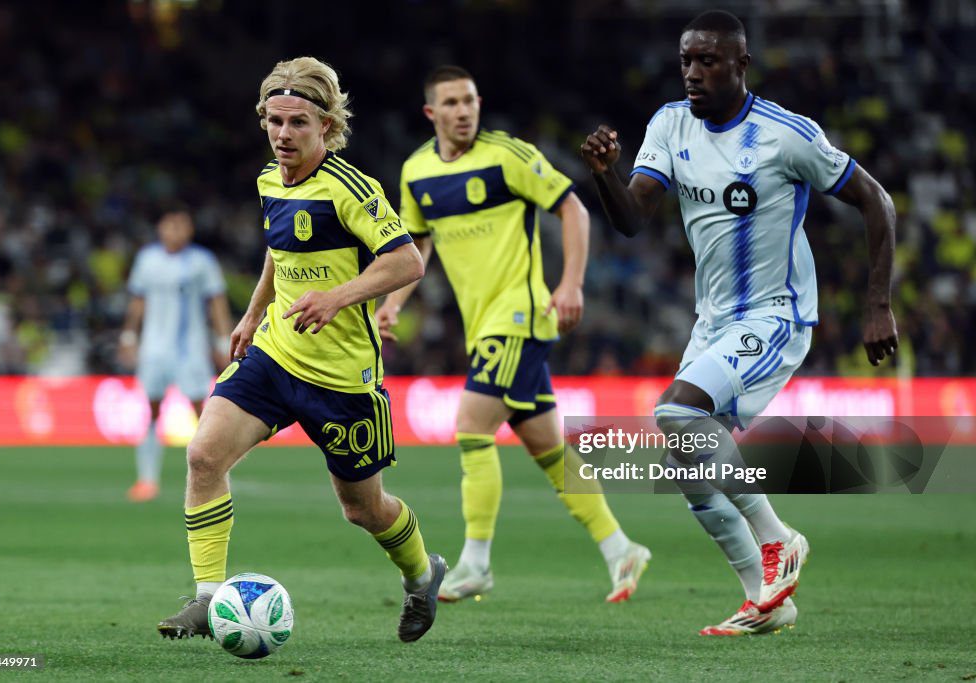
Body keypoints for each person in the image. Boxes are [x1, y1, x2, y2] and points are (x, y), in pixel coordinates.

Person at [581, 10, 898, 635]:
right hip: (713, 321)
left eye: (708, 61)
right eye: (686, 61)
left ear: (740, 64)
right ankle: (765, 601)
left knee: (676, 412)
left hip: (775, 314)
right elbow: (632, 218)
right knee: (687, 465)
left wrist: (877, 303)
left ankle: (779, 538)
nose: (693, 73)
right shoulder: (670, 124)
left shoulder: (787, 135)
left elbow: (876, 200)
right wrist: (604, 174)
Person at [156, 57, 446, 644]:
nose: (283, 134)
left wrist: (337, 297)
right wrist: (254, 312)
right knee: (204, 457)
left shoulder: (351, 189)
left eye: (298, 123)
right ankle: (208, 598)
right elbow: (279, 248)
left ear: (326, 126)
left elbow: (407, 261)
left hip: (341, 376)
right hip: (275, 355)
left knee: (363, 510)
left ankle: (422, 575)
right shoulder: (270, 180)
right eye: (274, 121)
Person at [377, 65, 651, 604]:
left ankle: (476, 562)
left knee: (471, 425)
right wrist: (394, 302)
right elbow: (417, 245)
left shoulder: (509, 156)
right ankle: (620, 547)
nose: (463, 111)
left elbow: (573, 209)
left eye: (470, 100)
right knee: (547, 448)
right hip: (483, 325)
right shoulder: (416, 171)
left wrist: (570, 283)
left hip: (519, 315)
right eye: (451, 103)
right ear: (431, 112)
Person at [118, 207, 231, 503]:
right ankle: (146, 479)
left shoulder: (202, 261)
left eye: (182, 225)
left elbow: (216, 302)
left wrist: (223, 341)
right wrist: (129, 335)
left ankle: (217, 476)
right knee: (152, 409)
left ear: (190, 230)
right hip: (155, 348)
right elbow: (138, 301)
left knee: (202, 414)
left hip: (190, 348)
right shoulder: (147, 260)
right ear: (160, 228)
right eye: (170, 225)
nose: (176, 231)